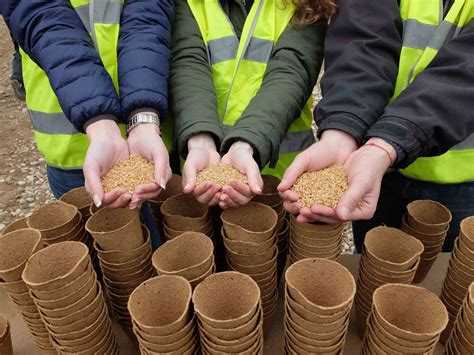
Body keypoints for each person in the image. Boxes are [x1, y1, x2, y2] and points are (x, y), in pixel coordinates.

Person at [279, 0, 474, 252]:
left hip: (461, 180)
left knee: (448, 274)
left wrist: (389, 141)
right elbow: (362, 40)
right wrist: (343, 131)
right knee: (372, 267)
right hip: (371, 166)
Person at [2, 0, 174, 249]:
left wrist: (142, 117)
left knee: (164, 249)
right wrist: (100, 122)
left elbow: (147, 16)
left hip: (150, 140)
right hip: (70, 145)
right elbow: (43, 19)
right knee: (105, 258)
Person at [170, 0, 333, 209]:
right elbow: (188, 64)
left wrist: (247, 144)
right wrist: (200, 141)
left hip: (280, 177)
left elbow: (291, 72)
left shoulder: (306, 3)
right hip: (201, 173)